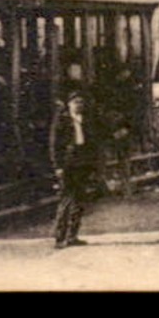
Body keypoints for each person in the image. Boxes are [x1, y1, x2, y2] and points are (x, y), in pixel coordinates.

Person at [49, 91, 97, 249]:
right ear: (69, 104)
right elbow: (55, 144)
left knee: (79, 199)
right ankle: (59, 237)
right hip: (68, 164)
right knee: (66, 198)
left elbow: (91, 142)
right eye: (76, 102)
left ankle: (72, 236)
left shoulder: (86, 120)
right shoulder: (62, 120)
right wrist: (58, 166)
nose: (79, 105)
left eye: (81, 102)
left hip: (82, 163)